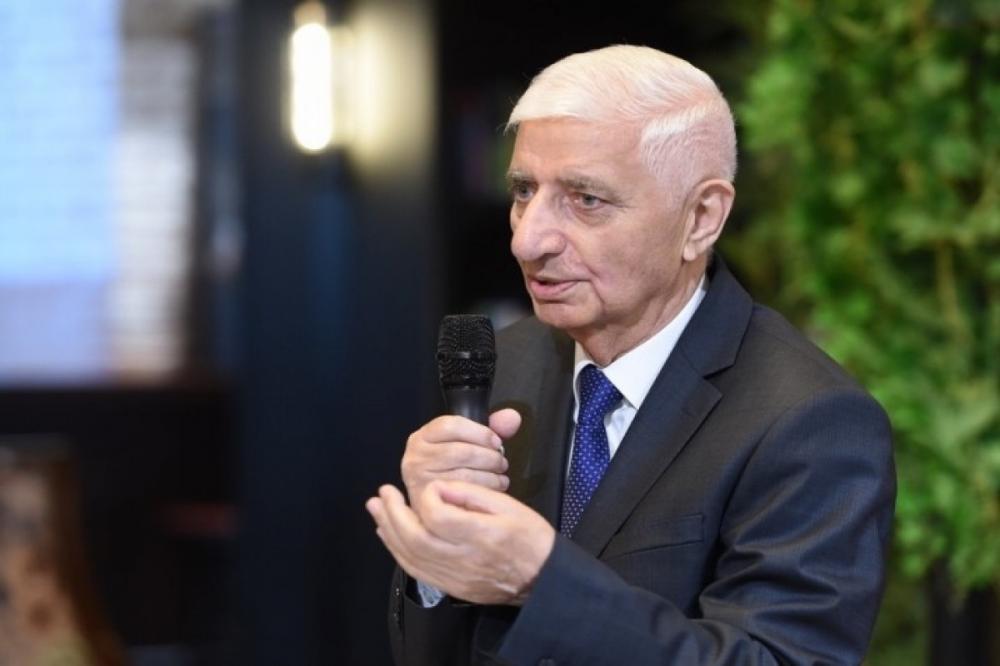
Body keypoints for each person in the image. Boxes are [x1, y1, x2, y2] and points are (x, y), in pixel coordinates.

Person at [365, 45, 895, 665]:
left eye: (586, 199)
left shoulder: (810, 420)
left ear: (701, 218)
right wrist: (436, 557)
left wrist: (544, 583)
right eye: (524, 190)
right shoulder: (507, 363)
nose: (527, 240)